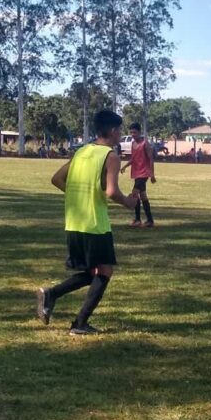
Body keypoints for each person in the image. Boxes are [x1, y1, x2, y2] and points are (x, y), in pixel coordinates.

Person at [36, 110, 139, 335]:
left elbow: (57, 179)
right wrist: (130, 203)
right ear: (113, 131)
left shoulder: (81, 151)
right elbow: (111, 192)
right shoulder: (110, 156)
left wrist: (78, 195)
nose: (120, 134)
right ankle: (79, 323)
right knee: (105, 271)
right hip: (95, 224)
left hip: (74, 222)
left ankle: (52, 295)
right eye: (119, 130)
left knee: (94, 272)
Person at [120, 122, 156, 227]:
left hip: (144, 173)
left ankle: (137, 219)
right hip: (136, 173)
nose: (133, 134)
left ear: (139, 132)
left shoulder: (145, 144)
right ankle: (150, 220)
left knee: (134, 193)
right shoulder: (133, 144)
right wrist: (125, 166)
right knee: (143, 196)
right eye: (131, 132)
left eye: (134, 132)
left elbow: (151, 159)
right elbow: (133, 159)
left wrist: (152, 174)